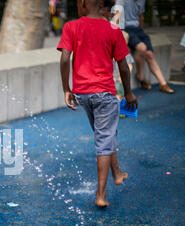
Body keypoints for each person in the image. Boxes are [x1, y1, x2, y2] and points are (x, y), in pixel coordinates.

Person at [58, 0, 138, 207]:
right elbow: (123, 65)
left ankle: (117, 173)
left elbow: (65, 59)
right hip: (104, 93)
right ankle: (101, 195)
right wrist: (128, 93)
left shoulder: (71, 26)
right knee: (105, 139)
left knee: (105, 134)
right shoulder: (112, 28)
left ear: (83, 3)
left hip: (83, 93)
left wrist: (66, 88)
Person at [117, 0, 174, 93]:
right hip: (125, 28)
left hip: (137, 29)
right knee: (142, 48)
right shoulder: (122, 1)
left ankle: (163, 84)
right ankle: (140, 76)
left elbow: (141, 16)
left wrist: (141, 32)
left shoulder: (141, 0)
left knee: (150, 54)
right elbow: (116, 15)